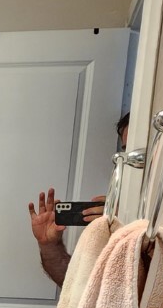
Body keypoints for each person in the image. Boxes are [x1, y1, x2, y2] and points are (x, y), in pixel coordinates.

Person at [26, 113, 128, 287]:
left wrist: (125, 227)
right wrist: (50, 245)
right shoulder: (116, 213)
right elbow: (77, 287)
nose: (125, 161)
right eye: (125, 151)